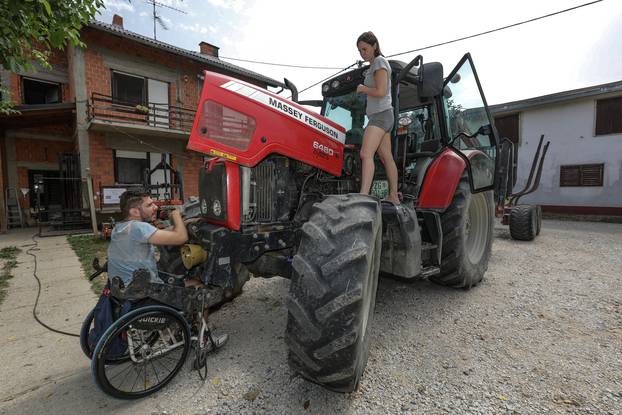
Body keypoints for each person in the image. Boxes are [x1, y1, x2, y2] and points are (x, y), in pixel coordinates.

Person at [107, 190, 227, 350]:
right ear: (134, 211)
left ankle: (181, 329)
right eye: (149, 205)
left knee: (181, 281)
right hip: (147, 296)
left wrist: (185, 223)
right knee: (200, 290)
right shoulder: (139, 228)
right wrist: (176, 215)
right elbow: (181, 238)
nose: (155, 207)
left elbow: (165, 234)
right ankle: (203, 341)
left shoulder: (121, 229)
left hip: (127, 293)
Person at [355, 31, 400, 205]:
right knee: (386, 157)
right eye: (359, 51)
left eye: (365, 49)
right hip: (383, 115)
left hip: (380, 115)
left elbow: (380, 92)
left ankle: (363, 196)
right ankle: (394, 196)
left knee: (366, 153)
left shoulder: (380, 62)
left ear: (374, 46)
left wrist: (362, 89)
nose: (362, 53)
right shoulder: (373, 65)